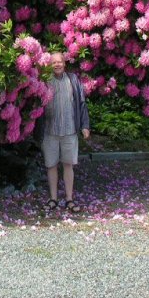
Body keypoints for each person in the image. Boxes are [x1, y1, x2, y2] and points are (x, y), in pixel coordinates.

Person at [40, 51, 90, 211]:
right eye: (53, 62)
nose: (57, 65)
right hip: (50, 131)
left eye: (59, 62)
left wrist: (85, 125)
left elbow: (82, 104)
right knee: (51, 165)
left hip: (70, 131)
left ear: (64, 64)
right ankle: (53, 199)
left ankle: (69, 199)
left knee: (68, 165)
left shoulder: (73, 79)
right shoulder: (45, 81)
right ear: (49, 65)